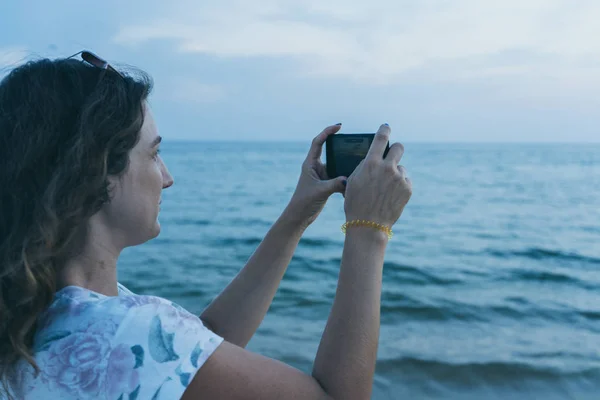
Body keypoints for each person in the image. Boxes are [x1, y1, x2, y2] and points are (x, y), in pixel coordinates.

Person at [0, 51, 412, 400]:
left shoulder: (44, 310)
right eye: (153, 154)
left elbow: (201, 345)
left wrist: (297, 215)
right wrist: (369, 228)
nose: (167, 176)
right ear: (95, 172)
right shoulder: (128, 331)